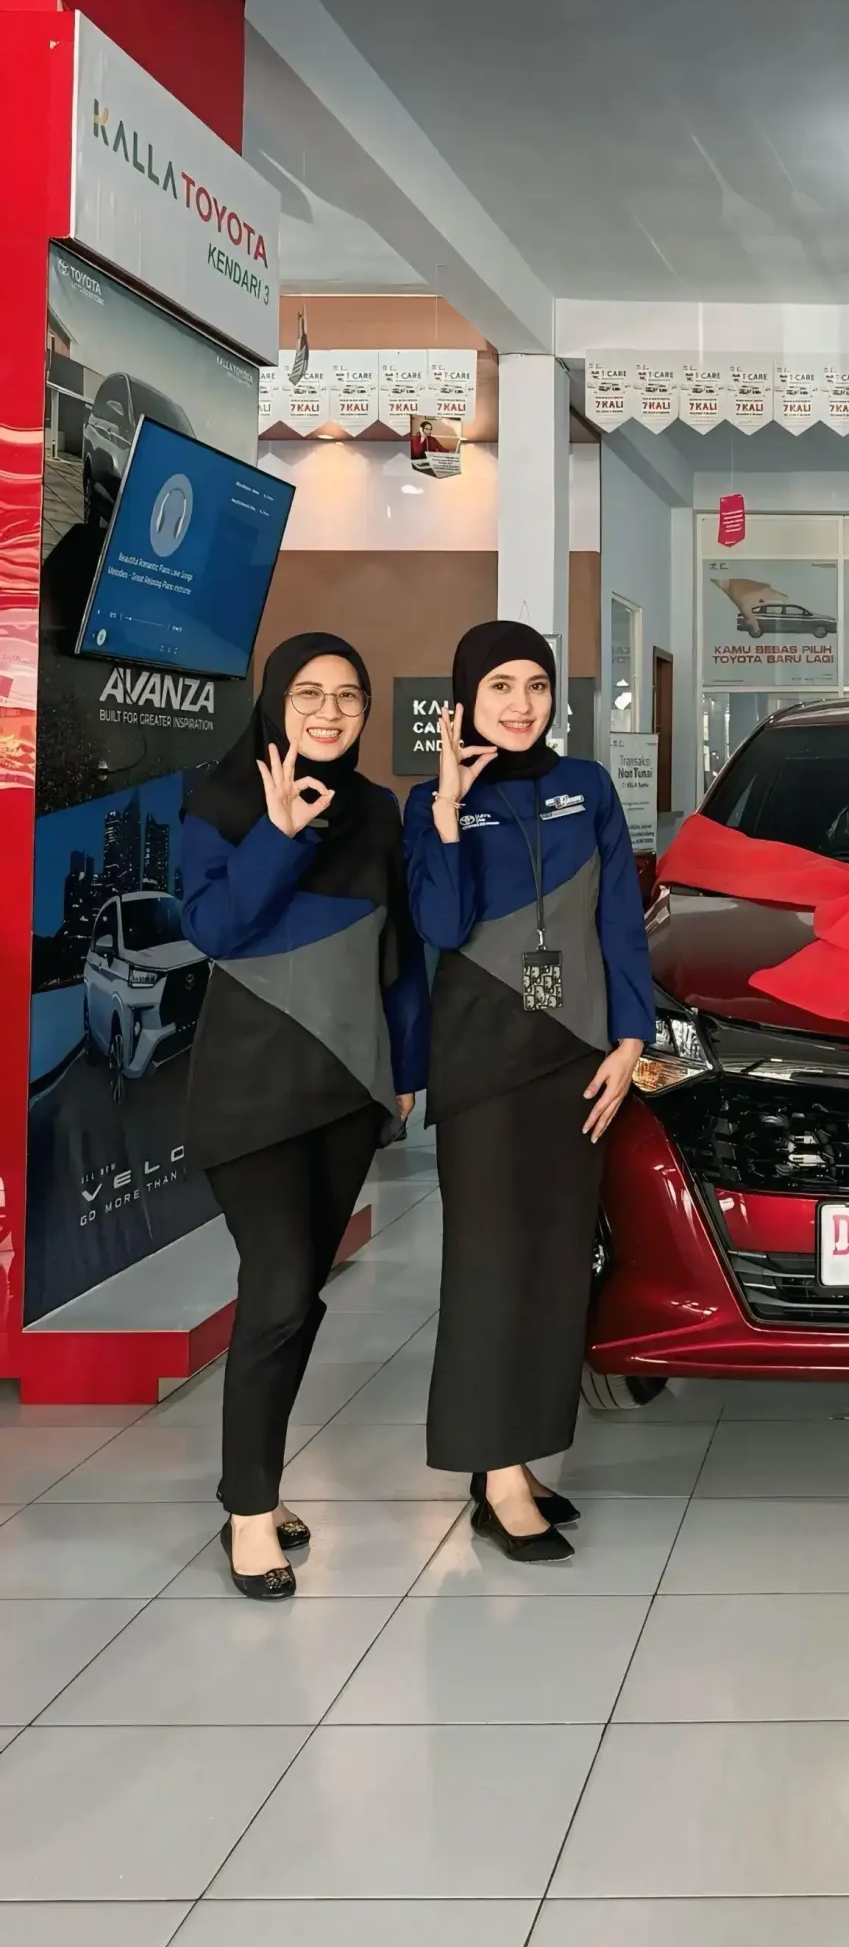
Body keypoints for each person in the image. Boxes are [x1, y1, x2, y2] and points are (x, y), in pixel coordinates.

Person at [181, 633, 428, 1600]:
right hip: (251, 1093)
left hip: (345, 1091)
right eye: (310, 694)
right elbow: (214, 928)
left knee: (299, 1297)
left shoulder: (374, 809)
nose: (330, 712)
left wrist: (406, 1070)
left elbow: (399, 952)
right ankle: (248, 1512)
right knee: (280, 1290)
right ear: (276, 701)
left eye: (348, 697)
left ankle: (257, 1482)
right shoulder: (222, 801)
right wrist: (279, 833)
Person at [404, 621, 653, 1563]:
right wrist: (446, 809)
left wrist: (631, 1039)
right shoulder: (432, 799)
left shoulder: (587, 786)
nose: (520, 704)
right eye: (500, 686)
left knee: (557, 1264)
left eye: (536, 686)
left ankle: (521, 1457)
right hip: (484, 1063)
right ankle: (495, 1473)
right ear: (464, 700)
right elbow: (441, 922)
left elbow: (621, 917)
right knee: (488, 1266)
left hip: (578, 1054)